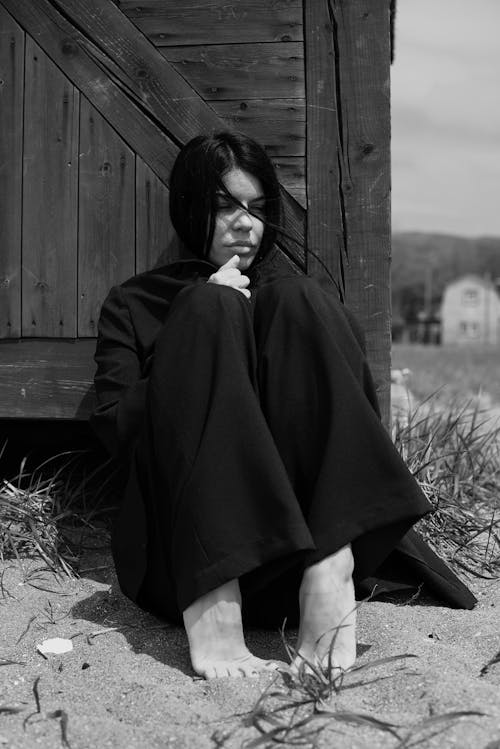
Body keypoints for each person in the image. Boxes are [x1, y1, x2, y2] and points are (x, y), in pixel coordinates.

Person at [90, 131, 476, 680]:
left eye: (256, 208)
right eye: (224, 206)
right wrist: (194, 324)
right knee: (205, 308)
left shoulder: (297, 303)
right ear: (188, 206)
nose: (244, 224)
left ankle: (330, 565)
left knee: (298, 298)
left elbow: (343, 406)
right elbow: (115, 433)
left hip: (293, 574)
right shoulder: (136, 302)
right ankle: (216, 605)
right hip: (186, 567)